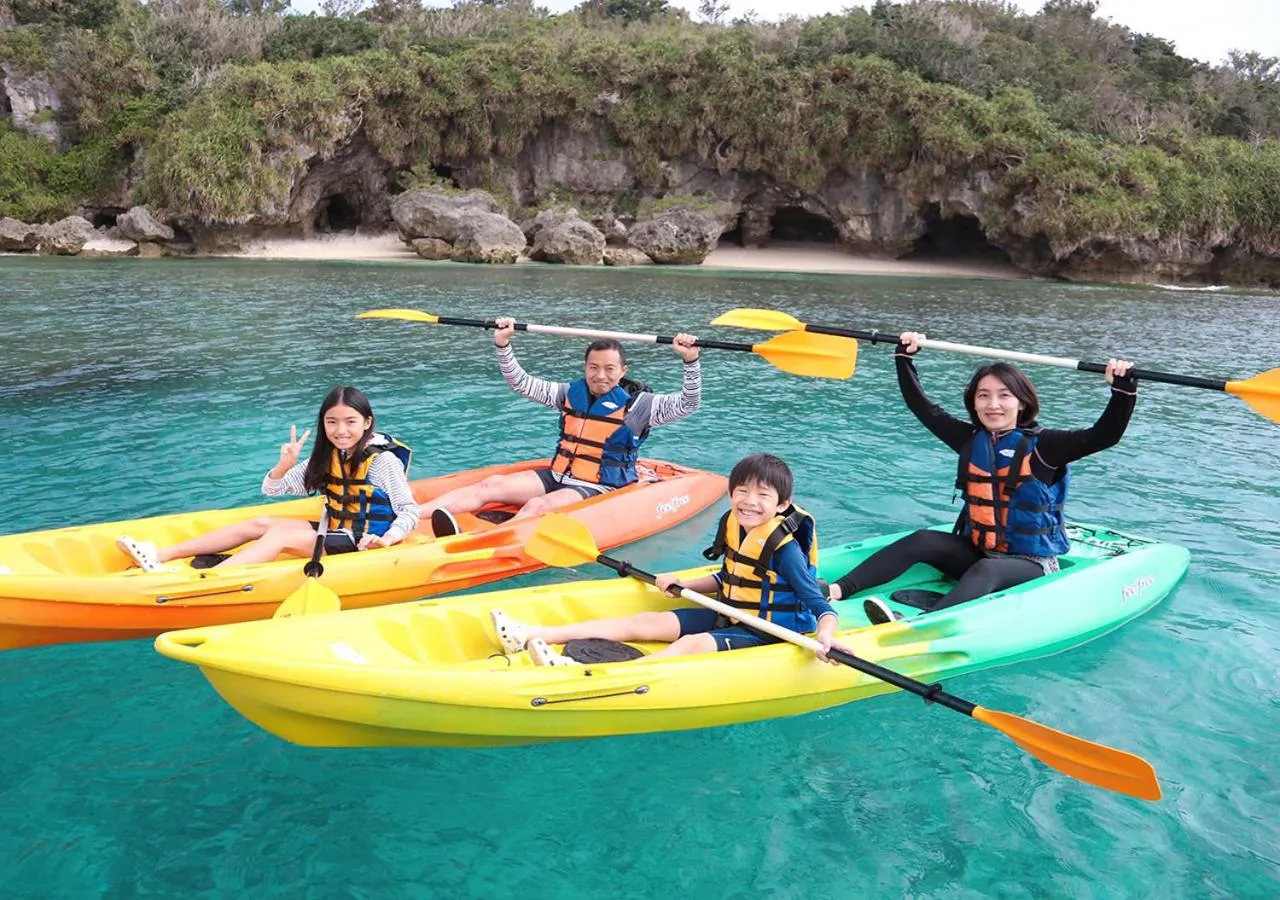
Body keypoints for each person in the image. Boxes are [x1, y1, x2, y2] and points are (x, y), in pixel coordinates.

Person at [829, 332, 1137, 624]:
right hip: (979, 552)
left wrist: (1122, 391)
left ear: (1022, 402)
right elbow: (923, 408)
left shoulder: (1047, 447)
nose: (993, 404)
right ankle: (835, 590)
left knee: (987, 569)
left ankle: (922, 625)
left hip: (1032, 565)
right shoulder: (970, 440)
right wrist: (904, 358)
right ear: (974, 403)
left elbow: (1104, 435)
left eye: (1004, 396)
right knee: (923, 539)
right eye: (983, 396)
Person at [487, 453, 851, 666]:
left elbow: (818, 604)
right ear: (730, 494)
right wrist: (685, 583)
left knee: (691, 645)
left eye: (762, 495)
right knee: (645, 621)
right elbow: (729, 577)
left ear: (781, 505)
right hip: (730, 611)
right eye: (742, 491)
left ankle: (591, 676)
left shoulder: (784, 548)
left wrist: (825, 637)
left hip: (769, 630)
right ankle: (532, 635)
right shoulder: (734, 525)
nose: (749, 501)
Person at [421, 316, 702, 536]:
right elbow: (521, 382)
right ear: (585, 367)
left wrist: (690, 361)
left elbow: (688, 403)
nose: (600, 375)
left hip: (599, 486)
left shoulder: (639, 406)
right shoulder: (569, 393)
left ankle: (473, 544)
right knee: (489, 485)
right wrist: (503, 344)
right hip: (557, 475)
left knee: (537, 506)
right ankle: (411, 513)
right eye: (593, 368)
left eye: (609, 369)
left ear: (622, 371)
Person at [116, 386, 419, 571]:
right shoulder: (328, 458)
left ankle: (210, 579)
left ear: (367, 422)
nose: (341, 430)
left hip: (364, 542)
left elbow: (409, 510)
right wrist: (284, 466)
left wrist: (387, 539)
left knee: (279, 536)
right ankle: (161, 555)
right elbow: (271, 489)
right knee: (261, 523)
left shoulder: (382, 462)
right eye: (332, 422)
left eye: (350, 422)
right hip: (336, 530)